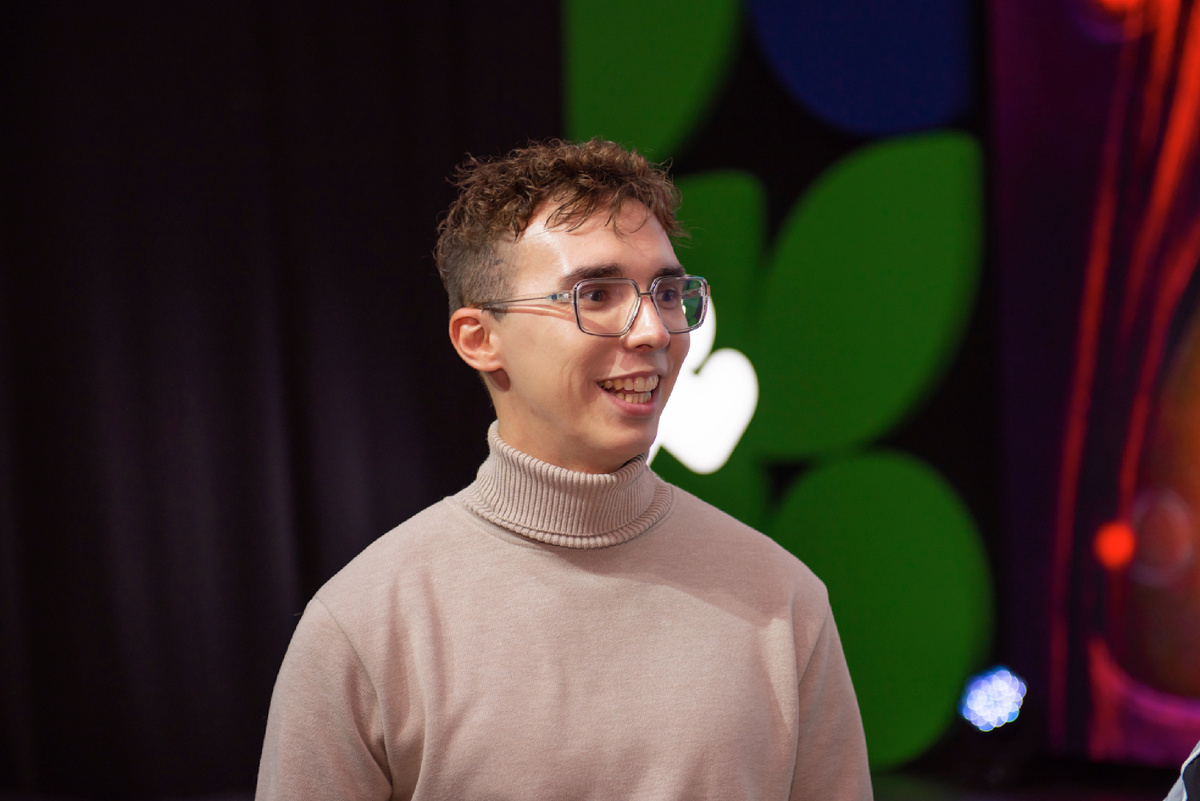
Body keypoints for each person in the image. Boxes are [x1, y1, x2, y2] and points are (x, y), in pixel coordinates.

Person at [255, 138, 872, 800]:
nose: (654, 331)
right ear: (479, 339)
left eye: (668, 292)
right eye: (597, 293)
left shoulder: (782, 599)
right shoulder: (366, 624)